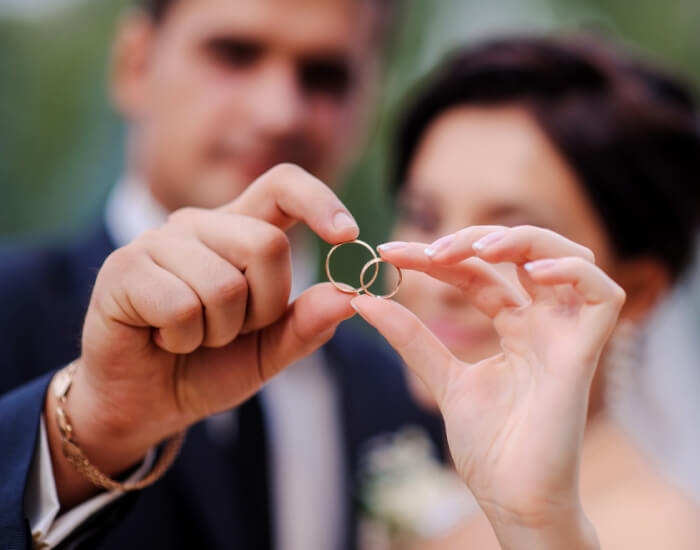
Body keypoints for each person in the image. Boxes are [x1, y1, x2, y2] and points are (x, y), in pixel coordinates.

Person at [0, 1, 445, 549]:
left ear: (368, 103)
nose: (279, 111)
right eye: (234, 54)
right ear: (136, 63)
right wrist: (88, 434)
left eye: (326, 76)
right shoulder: (10, 311)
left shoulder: (402, 394)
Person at [364, 36, 700, 548]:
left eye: (508, 241)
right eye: (425, 217)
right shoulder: (405, 459)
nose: (442, 275)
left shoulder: (653, 529)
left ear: (637, 290)